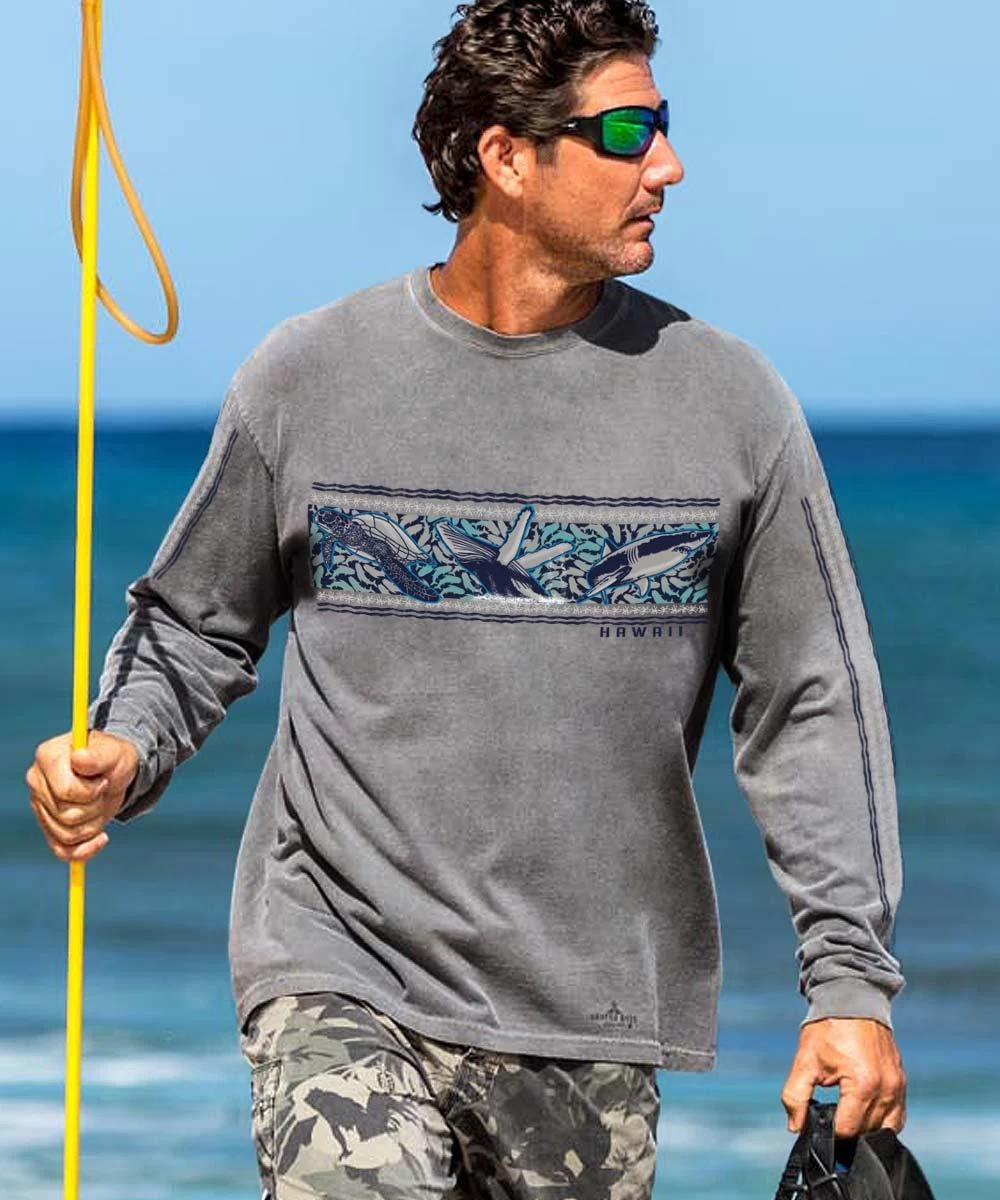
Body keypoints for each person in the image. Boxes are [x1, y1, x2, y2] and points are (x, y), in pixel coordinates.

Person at [26, 1, 908, 1197]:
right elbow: (193, 623)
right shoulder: (308, 378)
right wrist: (122, 747)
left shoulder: (731, 405)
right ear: (505, 155)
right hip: (338, 965)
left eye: (662, 125)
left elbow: (812, 703)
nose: (666, 164)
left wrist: (848, 988)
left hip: (588, 1011)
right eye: (627, 132)